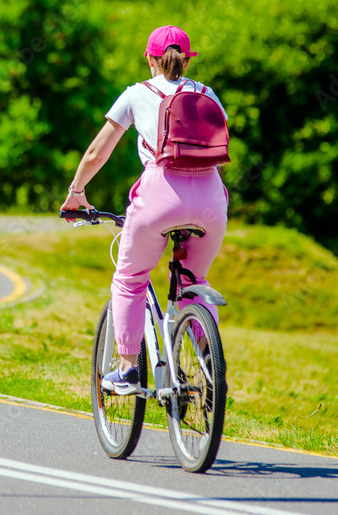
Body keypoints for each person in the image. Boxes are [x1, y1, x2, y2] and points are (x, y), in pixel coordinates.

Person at [60, 25, 229, 395]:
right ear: (187, 59)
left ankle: (126, 370)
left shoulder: (137, 93)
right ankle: (210, 363)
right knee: (195, 281)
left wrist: (77, 192)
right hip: (212, 200)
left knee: (130, 278)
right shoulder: (207, 94)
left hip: (160, 196)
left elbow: (96, 153)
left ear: (149, 58)